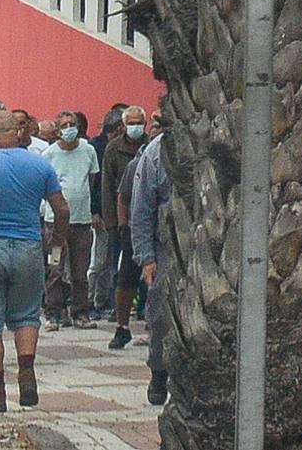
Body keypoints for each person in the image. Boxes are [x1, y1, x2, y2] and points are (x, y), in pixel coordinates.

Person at [0, 110, 69, 412]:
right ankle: (26, 374)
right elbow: (61, 210)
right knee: (26, 316)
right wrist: (56, 242)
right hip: (27, 246)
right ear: (18, 133)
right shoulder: (40, 165)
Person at [42, 109, 102, 329]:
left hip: (82, 222)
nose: (70, 129)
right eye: (65, 125)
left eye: (73, 124)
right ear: (58, 130)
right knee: (55, 268)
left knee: (80, 271)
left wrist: (92, 209)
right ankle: (53, 314)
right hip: (55, 223)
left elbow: (93, 181)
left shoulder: (89, 150)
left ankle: (80, 312)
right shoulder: (49, 154)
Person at [128, 122, 173, 407]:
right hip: (165, 248)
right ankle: (159, 373)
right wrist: (146, 257)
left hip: (213, 245)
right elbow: (141, 208)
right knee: (159, 315)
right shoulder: (156, 153)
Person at [102, 104, 150, 349]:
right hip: (129, 225)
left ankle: (151, 321)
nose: (135, 127)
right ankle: (122, 326)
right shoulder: (115, 150)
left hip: (153, 225)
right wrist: (117, 224)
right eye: (131, 123)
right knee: (125, 276)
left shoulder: (152, 148)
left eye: (139, 122)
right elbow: (113, 191)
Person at [88, 107, 125, 313]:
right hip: (102, 214)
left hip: (122, 214)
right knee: (98, 260)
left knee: (114, 261)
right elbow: (96, 183)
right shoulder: (97, 147)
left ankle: (107, 300)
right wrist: (95, 211)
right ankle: (91, 299)